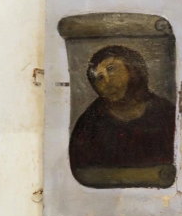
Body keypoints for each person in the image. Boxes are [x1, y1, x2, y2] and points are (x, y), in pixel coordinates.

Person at [69, 45, 176, 188]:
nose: (106, 82)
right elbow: (81, 174)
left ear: (133, 69)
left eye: (111, 69)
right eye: (99, 78)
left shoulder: (165, 112)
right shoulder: (89, 124)